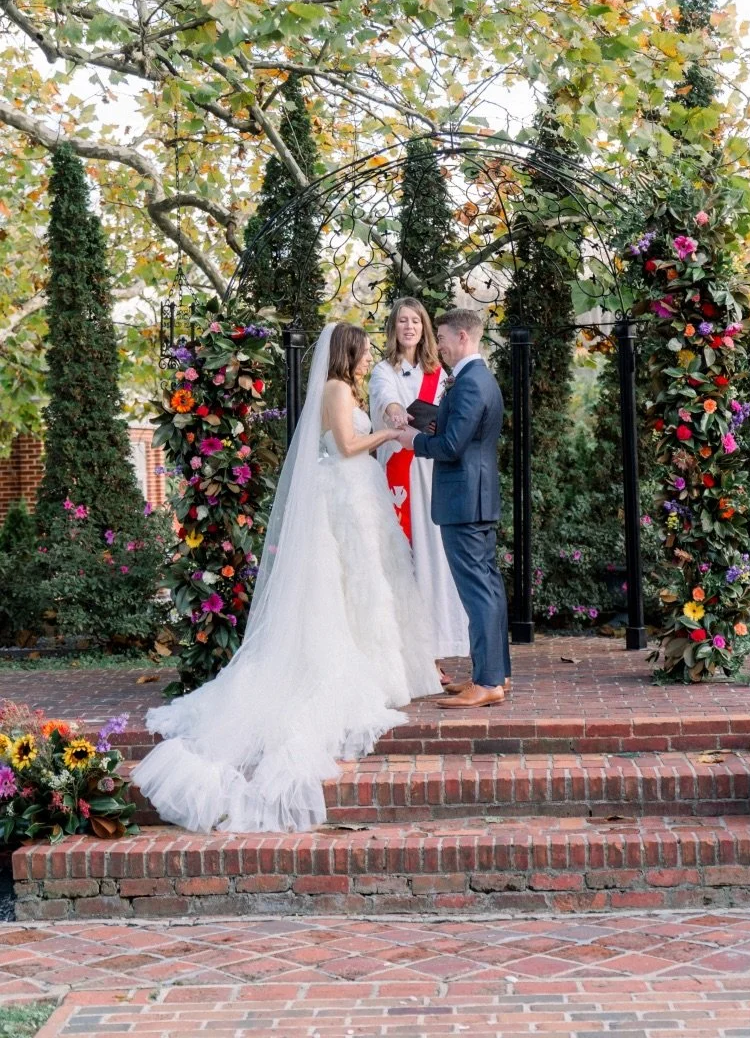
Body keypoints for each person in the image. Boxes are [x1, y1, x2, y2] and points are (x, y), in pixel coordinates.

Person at [133, 322, 440, 833]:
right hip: (344, 492)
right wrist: (390, 433)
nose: (368, 360)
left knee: (364, 581)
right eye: (363, 353)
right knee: (353, 583)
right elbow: (344, 445)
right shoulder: (337, 389)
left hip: (355, 492)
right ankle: (369, 665)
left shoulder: (343, 387)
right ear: (347, 353)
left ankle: (383, 662)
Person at [397, 308, 510, 709]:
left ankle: (488, 681)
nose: (438, 345)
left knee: (478, 591)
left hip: (465, 500)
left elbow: (450, 448)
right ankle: (495, 674)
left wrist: (414, 441)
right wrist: (433, 426)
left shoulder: (468, 383)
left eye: (442, 337)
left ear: (462, 337)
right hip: (475, 497)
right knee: (489, 587)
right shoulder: (477, 379)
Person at [369, 298, 469, 665]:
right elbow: (387, 402)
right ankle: (403, 653)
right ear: (393, 328)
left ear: (425, 328)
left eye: (415, 321)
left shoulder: (440, 373)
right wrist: (396, 414)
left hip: (431, 470)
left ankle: (434, 651)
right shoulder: (383, 369)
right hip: (399, 467)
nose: (409, 327)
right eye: (402, 321)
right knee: (402, 557)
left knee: (433, 558)